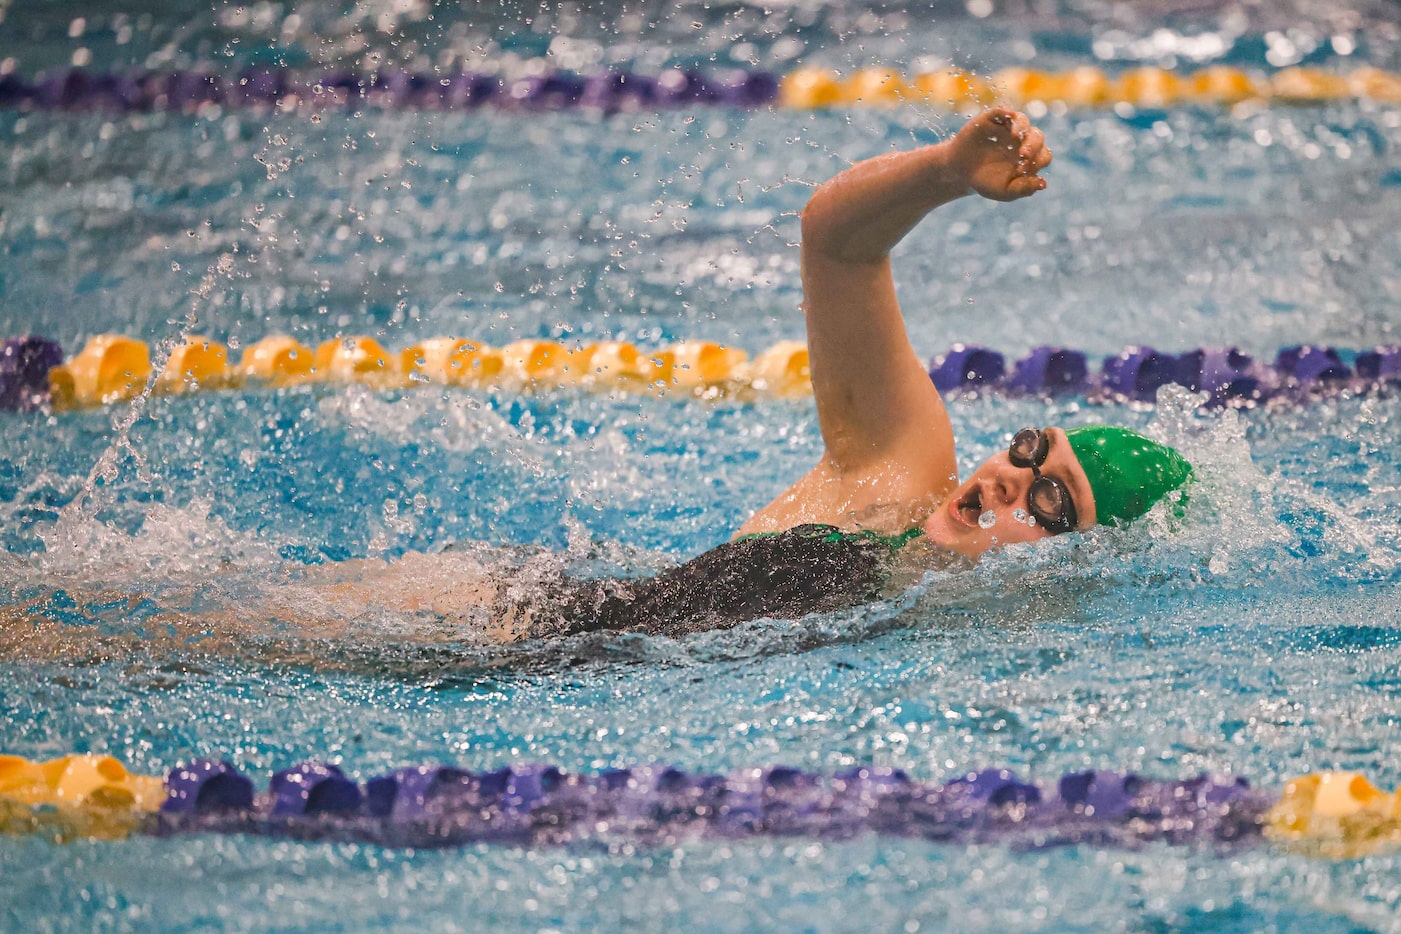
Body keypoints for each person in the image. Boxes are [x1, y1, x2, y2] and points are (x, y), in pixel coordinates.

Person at [256, 108, 1193, 645]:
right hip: (504, 618)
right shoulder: (899, 473)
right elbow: (836, 242)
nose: (1008, 479)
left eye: (1053, 501)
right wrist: (945, 172)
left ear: (1083, 559)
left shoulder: (985, 637)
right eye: (1033, 450)